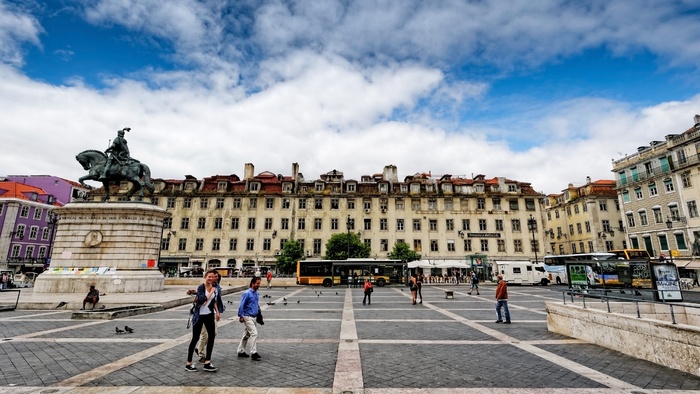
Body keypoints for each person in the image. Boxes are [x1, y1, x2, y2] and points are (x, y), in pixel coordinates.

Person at [185, 270, 220, 372]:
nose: (211, 278)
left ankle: (207, 362)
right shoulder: (201, 287)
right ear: (205, 277)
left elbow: (213, 301)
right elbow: (203, 301)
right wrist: (211, 292)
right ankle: (188, 363)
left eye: (213, 277)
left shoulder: (215, 288)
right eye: (209, 276)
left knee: (211, 336)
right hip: (199, 315)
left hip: (209, 314)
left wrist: (217, 312)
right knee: (195, 338)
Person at [237, 277, 262, 361]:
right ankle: (253, 352)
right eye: (257, 283)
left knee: (246, 335)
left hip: (253, 317)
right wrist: (241, 316)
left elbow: (256, 305)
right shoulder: (247, 293)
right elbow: (241, 305)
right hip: (247, 317)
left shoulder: (256, 293)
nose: (259, 285)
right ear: (253, 283)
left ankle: (241, 351)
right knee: (254, 333)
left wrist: (259, 314)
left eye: (259, 283)